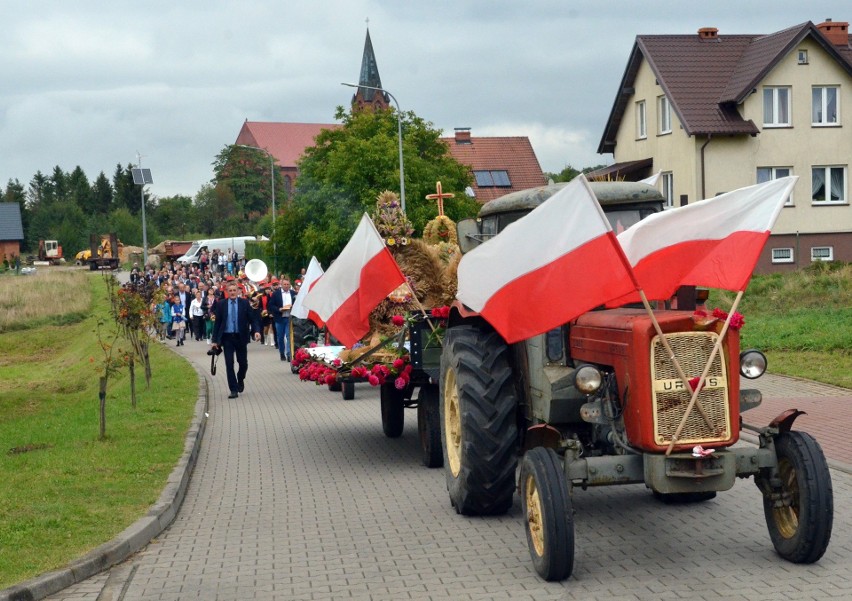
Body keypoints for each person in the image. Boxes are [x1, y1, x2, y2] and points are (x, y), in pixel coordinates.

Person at [212, 281, 262, 398]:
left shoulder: (244, 303)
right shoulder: (221, 304)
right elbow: (218, 323)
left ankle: (240, 378)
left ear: (238, 291)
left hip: (241, 337)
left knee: (243, 363)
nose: (233, 292)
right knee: (229, 364)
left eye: (235, 290)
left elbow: (253, 319)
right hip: (227, 337)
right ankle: (233, 389)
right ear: (227, 292)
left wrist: (257, 331)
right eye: (230, 290)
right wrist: (215, 340)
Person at [267, 278, 295, 361]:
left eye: (287, 284)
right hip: (280, 318)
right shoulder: (276, 294)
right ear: (281, 285)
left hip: (289, 318)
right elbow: (271, 305)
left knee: (289, 336)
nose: (286, 286)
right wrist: (279, 309)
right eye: (284, 284)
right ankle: (282, 353)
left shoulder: (293, 293)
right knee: (280, 337)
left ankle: (289, 354)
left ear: (290, 285)